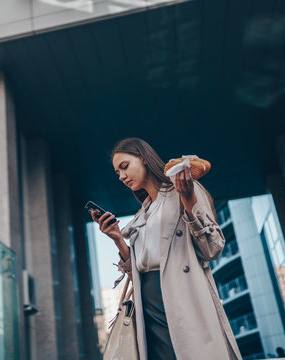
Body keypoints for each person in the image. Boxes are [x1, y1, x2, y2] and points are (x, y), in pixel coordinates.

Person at [91, 138, 242, 360]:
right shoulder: (141, 215)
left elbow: (213, 249)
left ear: (143, 158)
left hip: (183, 299)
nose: (121, 176)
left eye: (124, 166)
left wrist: (189, 202)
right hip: (148, 309)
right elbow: (137, 273)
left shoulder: (185, 190)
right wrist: (117, 239)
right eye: (117, 173)